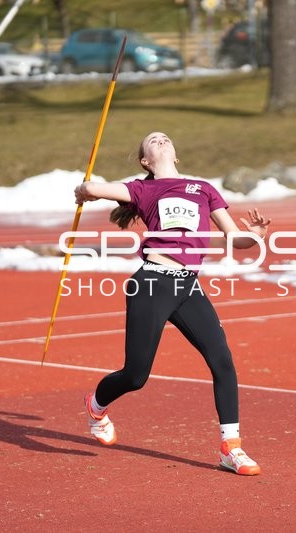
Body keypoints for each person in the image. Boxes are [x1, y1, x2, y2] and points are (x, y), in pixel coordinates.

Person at [73, 131, 271, 476]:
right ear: (145, 160)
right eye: (152, 140)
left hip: (188, 285)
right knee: (135, 377)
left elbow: (235, 239)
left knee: (222, 359)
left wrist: (254, 235)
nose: (160, 140)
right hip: (152, 281)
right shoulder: (141, 189)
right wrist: (83, 190)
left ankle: (231, 448)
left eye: (165, 138)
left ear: (176, 154)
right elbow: (92, 190)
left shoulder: (204, 189)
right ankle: (96, 406)